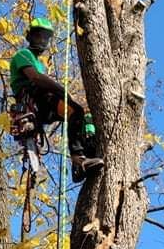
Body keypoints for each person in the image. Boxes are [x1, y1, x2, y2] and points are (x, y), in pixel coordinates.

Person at [9, 17, 104, 180]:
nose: (43, 41)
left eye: (46, 37)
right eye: (39, 36)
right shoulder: (23, 54)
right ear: (30, 36)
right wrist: (62, 90)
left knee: (79, 114)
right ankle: (78, 158)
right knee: (74, 109)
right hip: (33, 98)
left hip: (43, 105)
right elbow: (36, 78)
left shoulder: (41, 63)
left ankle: (82, 159)